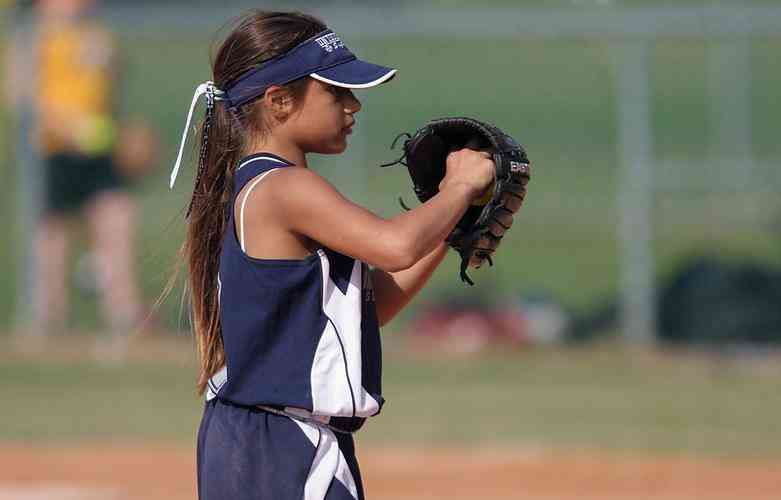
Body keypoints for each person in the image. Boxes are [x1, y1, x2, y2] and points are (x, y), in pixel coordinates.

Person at [169, 11, 494, 500]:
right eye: (336, 92)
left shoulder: (275, 186)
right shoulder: (283, 187)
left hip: (281, 442)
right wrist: (459, 188)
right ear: (279, 101)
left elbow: (374, 303)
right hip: (280, 447)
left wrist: (452, 223)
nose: (353, 105)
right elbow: (395, 245)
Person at [12, 0, 145, 354]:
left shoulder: (97, 35)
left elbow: (110, 89)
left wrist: (117, 129)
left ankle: (124, 313)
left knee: (117, 218)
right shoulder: (32, 37)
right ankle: (49, 317)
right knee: (53, 234)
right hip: (53, 148)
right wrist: (68, 126)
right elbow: (21, 94)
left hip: (98, 147)